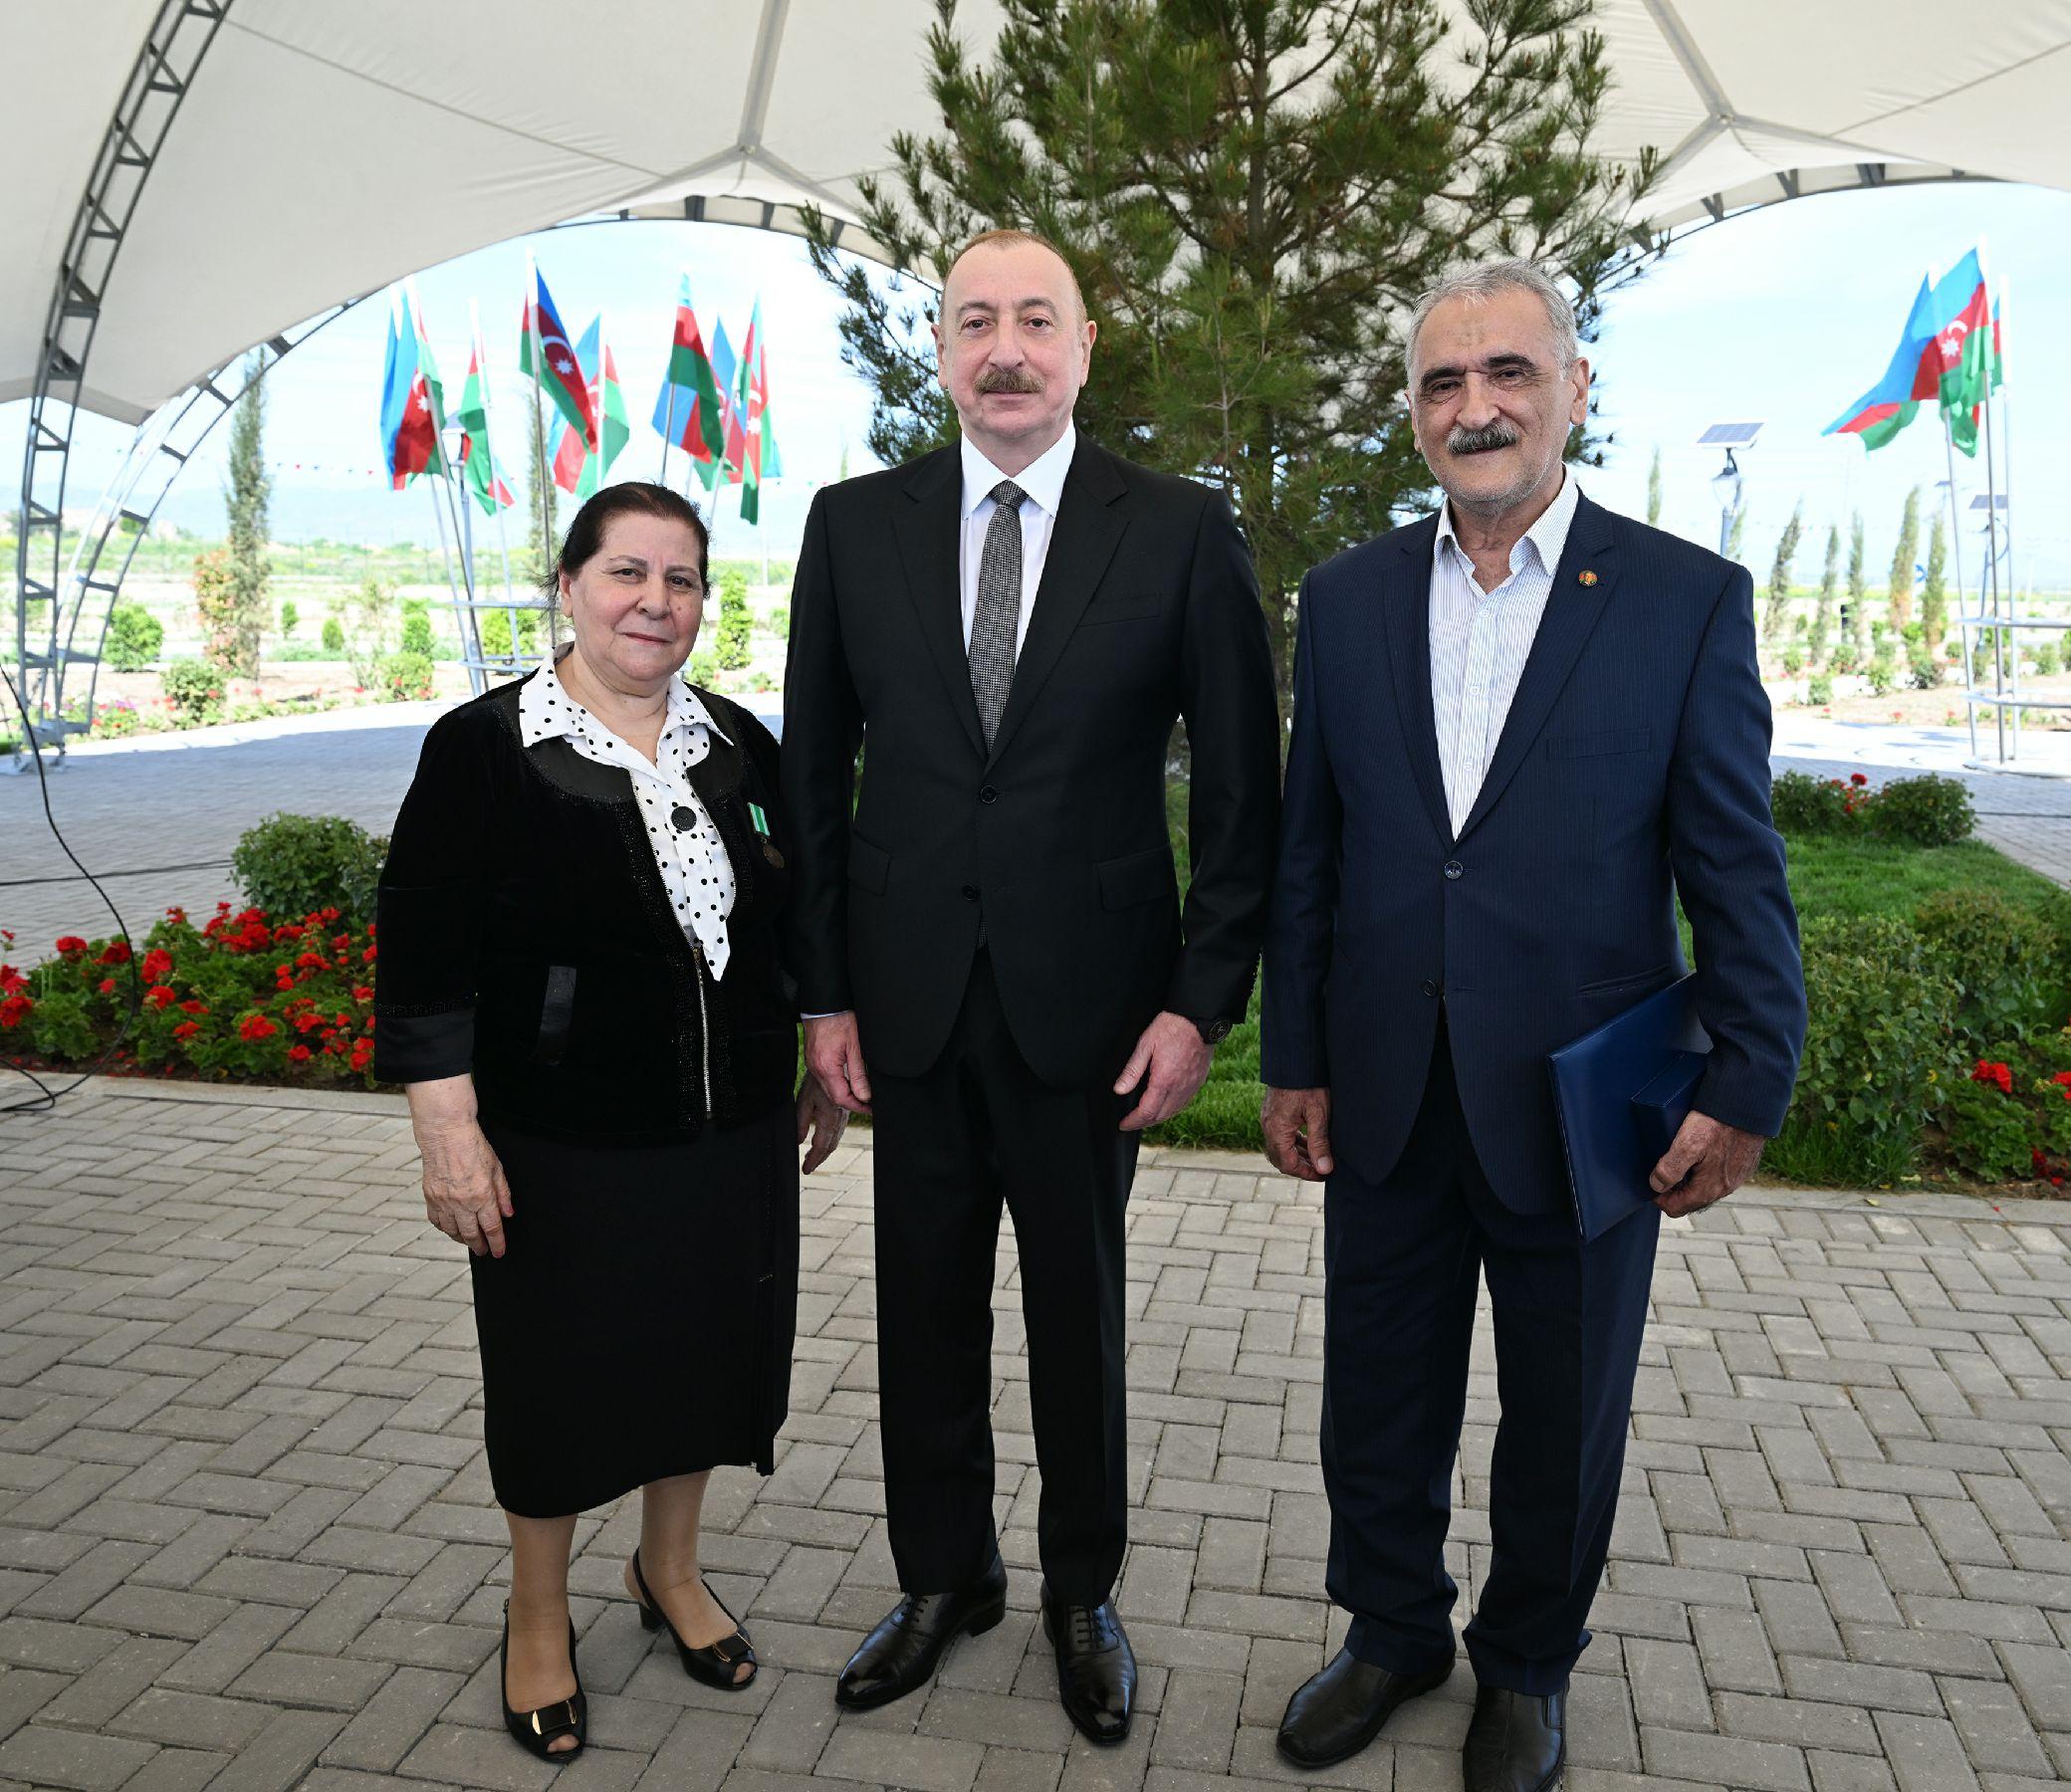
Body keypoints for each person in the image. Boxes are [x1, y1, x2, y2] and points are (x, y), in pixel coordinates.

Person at [1261, 261, 1804, 1792]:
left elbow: (1735, 865)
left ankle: (1527, 1666)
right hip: (1385, 1086)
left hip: (1579, 1103)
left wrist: (1748, 1078)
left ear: (1573, 389)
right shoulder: (1349, 599)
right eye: (1444, 381)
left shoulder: (1682, 600)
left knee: (1565, 1411)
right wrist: (1294, 1056)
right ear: (1414, 414)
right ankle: (1390, 1635)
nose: (1477, 406)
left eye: (1509, 372)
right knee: (1379, 1390)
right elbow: (1315, 852)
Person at [783, 229, 1280, 1742]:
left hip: (1096, 1013)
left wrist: (1199, 1002)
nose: (1005, 349)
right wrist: (823, 995)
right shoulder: (854, 526)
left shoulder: (1179, 530)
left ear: (1083, 349)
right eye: (974, 321)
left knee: (1078, 1318)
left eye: (1035, 321)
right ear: (940, 351)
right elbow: (812, 777)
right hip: (909, 1001)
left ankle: (1081, 1590)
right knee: (923, 1310)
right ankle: (944, 1579)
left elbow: (1244, 795)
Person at [374, 481, 846, 1766]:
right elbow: (422, 952)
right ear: (570, 586)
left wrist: (812, 1054)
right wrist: (447, 1131)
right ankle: (538, 1614)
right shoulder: (483, 748)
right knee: (559, 1383)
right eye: (627, 573)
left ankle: (668, 1571)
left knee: (705, 1359)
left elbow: (789, 919)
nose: (655, 602)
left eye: (681, 579)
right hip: (560, 1142)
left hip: (730, 1132)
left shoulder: (737, 741)